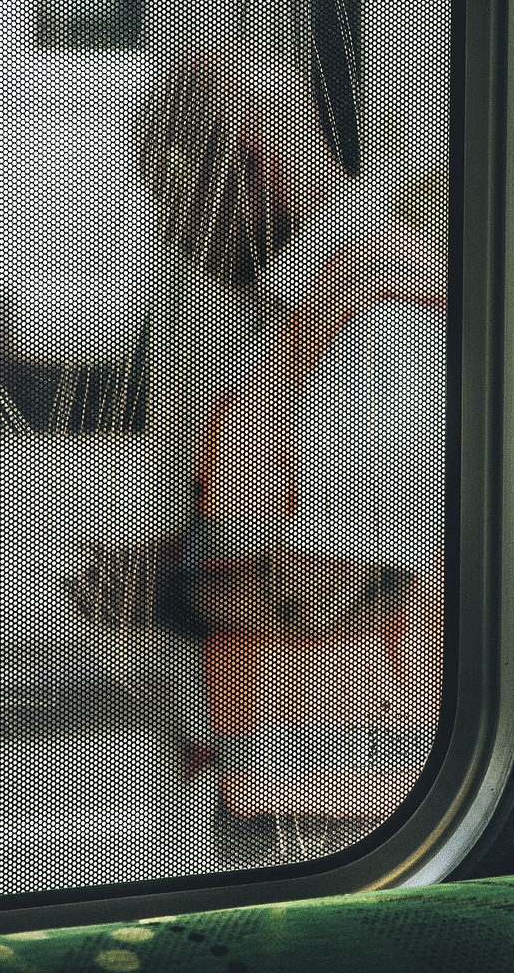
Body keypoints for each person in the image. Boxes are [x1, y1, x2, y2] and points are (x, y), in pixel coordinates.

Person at [115, 43, 446, 865]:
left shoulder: (359, 291)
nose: (317, 138)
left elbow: (320, 577)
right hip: (349, 779)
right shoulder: (352, 321)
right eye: (286, 117)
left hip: (332, 774)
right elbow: (338, 581)